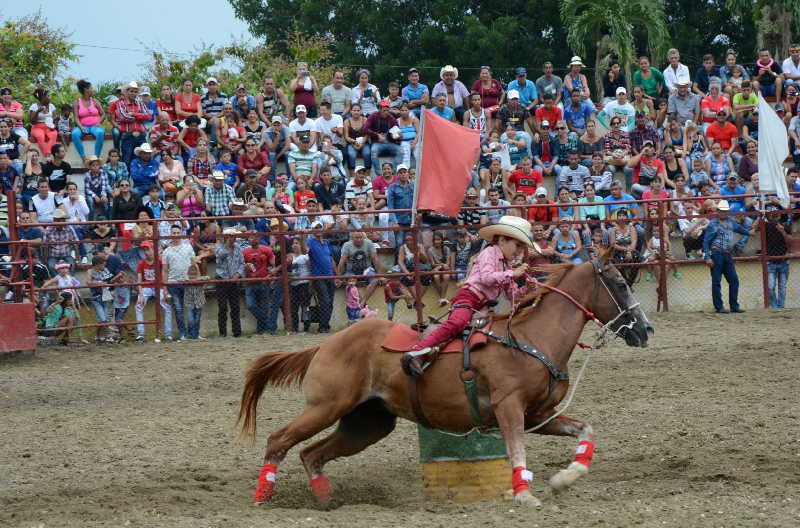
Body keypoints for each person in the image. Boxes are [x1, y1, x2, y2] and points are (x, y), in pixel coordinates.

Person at [401, 216, 533, 377]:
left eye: (522, 247)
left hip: (483, 306)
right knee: (457, 322)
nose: (519, 251)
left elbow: (512, 294)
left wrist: (527, 287)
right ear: (502, 240)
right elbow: (486, 277)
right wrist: (512, 273)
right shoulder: (489, 253)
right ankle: (417, 352)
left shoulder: (507, 264)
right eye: (518, 245)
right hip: (468, 297)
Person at [702, 199, 752, 313]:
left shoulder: (728, 222)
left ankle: (731, 306)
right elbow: (705, 242)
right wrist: (707, 257)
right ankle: (722, 306)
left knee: (733, 280)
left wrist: (748, 232)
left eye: (725, 211)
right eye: (722, 211)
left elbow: (739, 229)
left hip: (725, 254)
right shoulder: (714, 224)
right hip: (717, 253)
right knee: (718, 281)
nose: (723, 213)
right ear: (718, 211)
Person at [133, 241, 172, 342]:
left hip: (159, 286)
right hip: (146, 287)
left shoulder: (159, 260)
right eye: (144, 250)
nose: (146, 252)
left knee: (167, 307)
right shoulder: (141, 263)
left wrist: (165, 290)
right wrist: (141, 295)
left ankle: (168, 334)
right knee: (138, 306)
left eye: (148, 249)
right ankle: (141, 333)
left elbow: (165, 274)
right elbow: (139, 280)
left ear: (153, 249)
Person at [162, 225, 195, 340]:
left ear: (181, 234)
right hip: (173, 283)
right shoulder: (166, 251)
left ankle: (191, 333)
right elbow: (165, 270)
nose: (176, 235)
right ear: (171, 234)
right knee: (178, 309)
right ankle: (183, 333)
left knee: (190, 309)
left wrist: (195, 278)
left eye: (177, 232)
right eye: (174, 233)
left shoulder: (188, 247)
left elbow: (193, 264)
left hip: (187, 281)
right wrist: (165, 288)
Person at [215, 228, 244, 337]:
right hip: (221, 279)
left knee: (235, 307)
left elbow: (242, 263)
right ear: (227, 237)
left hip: (233, 280)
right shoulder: (219, 248)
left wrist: (237, 274)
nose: (234, 238)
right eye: (231, 236)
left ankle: (237, 332)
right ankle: (222, 332)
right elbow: (220, 259)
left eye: (234, 236)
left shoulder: (238, 248)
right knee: (222, 307)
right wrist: (227, 245)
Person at [115, 82, 152, 166]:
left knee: (143, 159)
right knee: (127, 159)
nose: (133, 93)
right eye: (131, 91)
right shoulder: (121, 103)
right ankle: (127, 179)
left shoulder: (140, 103)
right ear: (127, 92)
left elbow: (148, 116)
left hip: (141, 135)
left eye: (135, 91)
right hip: (128, 135)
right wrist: (140, 116)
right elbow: (123, 117)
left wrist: (133, 114)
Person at [71, 80, 106, 162]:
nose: (92, 90)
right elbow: (76, 117)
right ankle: (83, 157)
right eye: (91, 88)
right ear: (86, 89)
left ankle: (96, 157)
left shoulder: (95, 101)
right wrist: (81, 127)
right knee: (74, 134)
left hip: (94, 126)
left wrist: (99, 122)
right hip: (83, 126)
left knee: (100, 133)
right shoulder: (77, 102)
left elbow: (103, 114)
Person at [365, 100, 401, 174]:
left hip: (389, 142)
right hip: (377, 142)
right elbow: (365, 129)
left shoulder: (391, 118)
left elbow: (396, 129)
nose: (386, 112)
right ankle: (379, 174)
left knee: (400, 151)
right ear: (380, 109)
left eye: (388, 110)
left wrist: (398, 135)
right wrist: (377, 135)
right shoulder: (373, 116)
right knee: (373, 151)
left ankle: (393, 173)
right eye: (384, 110)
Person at [29, 88, 58, 156]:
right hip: (37, 127)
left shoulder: (51, 106)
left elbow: (55, 118)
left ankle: (48, 152)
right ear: (43, 97)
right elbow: (32, 121)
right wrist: (38, 111)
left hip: (49, 126)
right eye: (48, 96)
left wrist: (54, 125)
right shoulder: (34, 106)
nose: (50, 98)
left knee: (53, 134)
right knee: (40, 136)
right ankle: (47, 154)